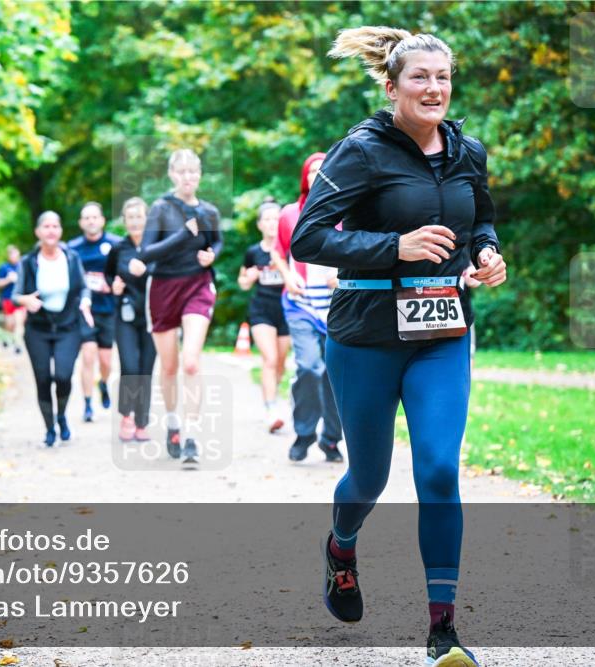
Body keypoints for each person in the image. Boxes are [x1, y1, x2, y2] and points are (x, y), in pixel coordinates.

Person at [291, 27, 506, 667]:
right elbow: (307, 239)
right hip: (366, 334)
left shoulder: (468, 150)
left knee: (439, 468)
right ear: (391, 87)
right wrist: (396, 248)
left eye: (442, 78)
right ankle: (341, 545)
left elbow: (482, 217)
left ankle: (443, 629)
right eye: (420, 78)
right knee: (371, 476)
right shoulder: (359, 151)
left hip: (442, 332)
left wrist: (486, 254)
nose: (434, 88)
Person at [134, 149, 223, 468]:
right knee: (169, 367)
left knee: (190, 364)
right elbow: (146, 252)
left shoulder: (209, 211)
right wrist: (184, 234)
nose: (188, 177)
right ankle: (173, 423)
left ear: (199, 175)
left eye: (193, 171)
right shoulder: (161, 208)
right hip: (163, 289)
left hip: (197, 286)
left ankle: (192, 436)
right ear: (172, 175)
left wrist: (211, 255)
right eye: (182, 171)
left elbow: (218, 242)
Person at [272, 153, 345, 463]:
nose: (318, 175)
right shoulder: (290, 213)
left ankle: (330, 440)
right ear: (305, 177)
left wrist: (342, 273)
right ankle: (304, 433)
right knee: (309, 367)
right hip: (301, 304)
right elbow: (277, 251)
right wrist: (288, 277)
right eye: (312, 171)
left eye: (323, 169)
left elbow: (360, 249)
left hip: (338, 306)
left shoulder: (346, 210)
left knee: (336, 374)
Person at [13, 211, 94, 447]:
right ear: (38, 232)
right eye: (46, 226)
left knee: (62, 376)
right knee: (43, 378)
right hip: (38, 329)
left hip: (68, 326)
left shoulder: (71, 257)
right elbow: (16, 294)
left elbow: (84, 287)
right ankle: (50, 429)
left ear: (60, 231)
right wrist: (25, 300)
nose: (51, 231)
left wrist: (86, 302)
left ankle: (62, 416)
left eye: (55, 226)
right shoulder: (28, 262)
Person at [104, 197, 156, 442]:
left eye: (139, 216)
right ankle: (127, 414)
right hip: (125, 315)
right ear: (124, 221)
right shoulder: (118, 249)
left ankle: (142, 421)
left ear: (147, 219)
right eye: (131, 217)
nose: (135, 222)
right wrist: (113, 286)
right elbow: (108, 275)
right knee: (130, 366)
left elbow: (166, 275)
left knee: (146, 369)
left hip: (153, 316)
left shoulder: (156, 247)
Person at [237, 200, 290, 434]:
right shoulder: (253, 252)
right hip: (261, 310)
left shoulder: (289, 250)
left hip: (287, 309)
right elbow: (242, 283)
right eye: (267, 219)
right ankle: (271, 409)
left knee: (280, 363)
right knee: (268, 360)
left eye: (276, 218)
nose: (272, 222)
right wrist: (248, 277)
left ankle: (274, 398)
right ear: (259, 224)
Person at [68, 202, 121, 423]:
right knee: (88, 356)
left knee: (106, 361)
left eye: (94, 217)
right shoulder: (72, 248)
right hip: (84, 309)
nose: (91, 221)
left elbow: (124, 271)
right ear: (81, 222)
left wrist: (113, 283)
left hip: (108, 308)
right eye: (86, 218)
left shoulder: (115, 244)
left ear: (102, 220)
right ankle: (88, 404)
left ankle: (103, 383)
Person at [0, 245, 25, 354]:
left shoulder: (22, 266)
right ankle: (6, 337)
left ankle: (17, 344)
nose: (14, 256)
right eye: (11, 254)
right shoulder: (4, 268)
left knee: (19, 322)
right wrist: (8, 279)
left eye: (15, 254)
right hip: (7, 298)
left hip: (20, 298)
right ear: (9, 256)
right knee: (9, 323)